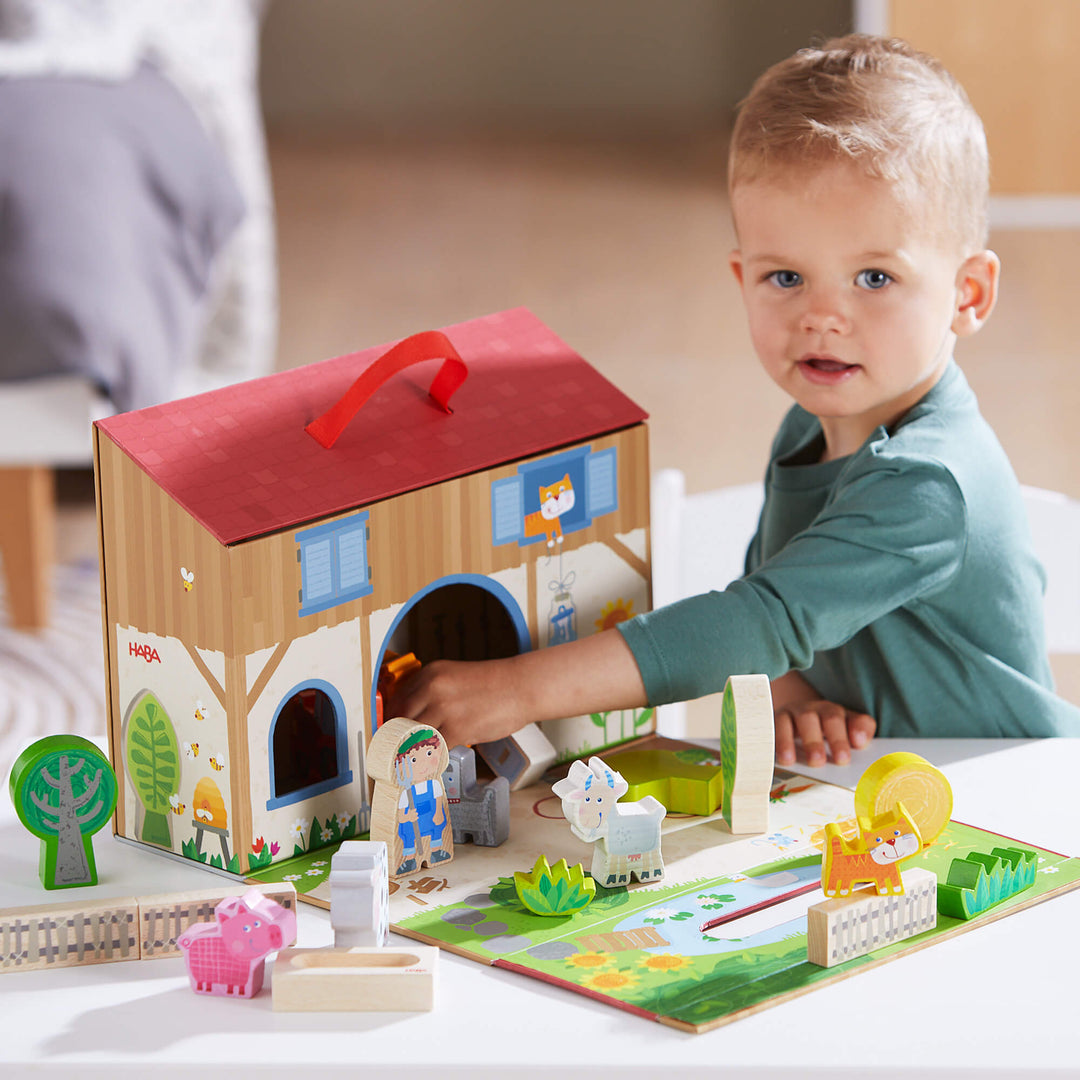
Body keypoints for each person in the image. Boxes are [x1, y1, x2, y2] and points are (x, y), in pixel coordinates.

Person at [388, 34, 1080, 765]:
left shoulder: (930, 481)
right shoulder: (810, 426)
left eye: (874, 278)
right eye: (786, 278)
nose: (823, 315)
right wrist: (789, 690)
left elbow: (759, 619)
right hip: (880, 780)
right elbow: (778, 606)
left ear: (966, 294)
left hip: (1018, 799)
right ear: (740, 274)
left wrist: (517, 689)